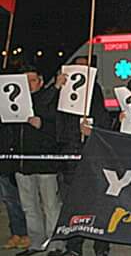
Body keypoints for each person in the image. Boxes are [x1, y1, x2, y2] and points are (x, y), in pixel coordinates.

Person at [54, 56, 112, 256]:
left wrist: (92, 129)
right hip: (69, 155)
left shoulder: (94, 90)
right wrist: (54, 88)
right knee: (73, 204)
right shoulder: (61, 89)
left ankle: (101, 247)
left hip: (91, 155)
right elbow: (47, 114)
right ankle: (74, 246)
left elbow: (104, 120)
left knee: (97, 202)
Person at [8, 66, 65, 256]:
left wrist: (42, 125)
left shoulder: (50, 98)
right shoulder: (13, 102)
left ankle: (55, 245)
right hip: (23, 163)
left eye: (32, 80)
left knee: (50, 206)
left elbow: (57, 127)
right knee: (29, 207)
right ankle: (36, 242)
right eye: (25, 81)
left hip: (45, 163)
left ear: (41, 81)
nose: (29, 84)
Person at [0, 122, 30, 251]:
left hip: (15, 154)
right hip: (4, 157)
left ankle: (26, 232)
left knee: (21, 199)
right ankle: (17, 232)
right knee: (9, 199)